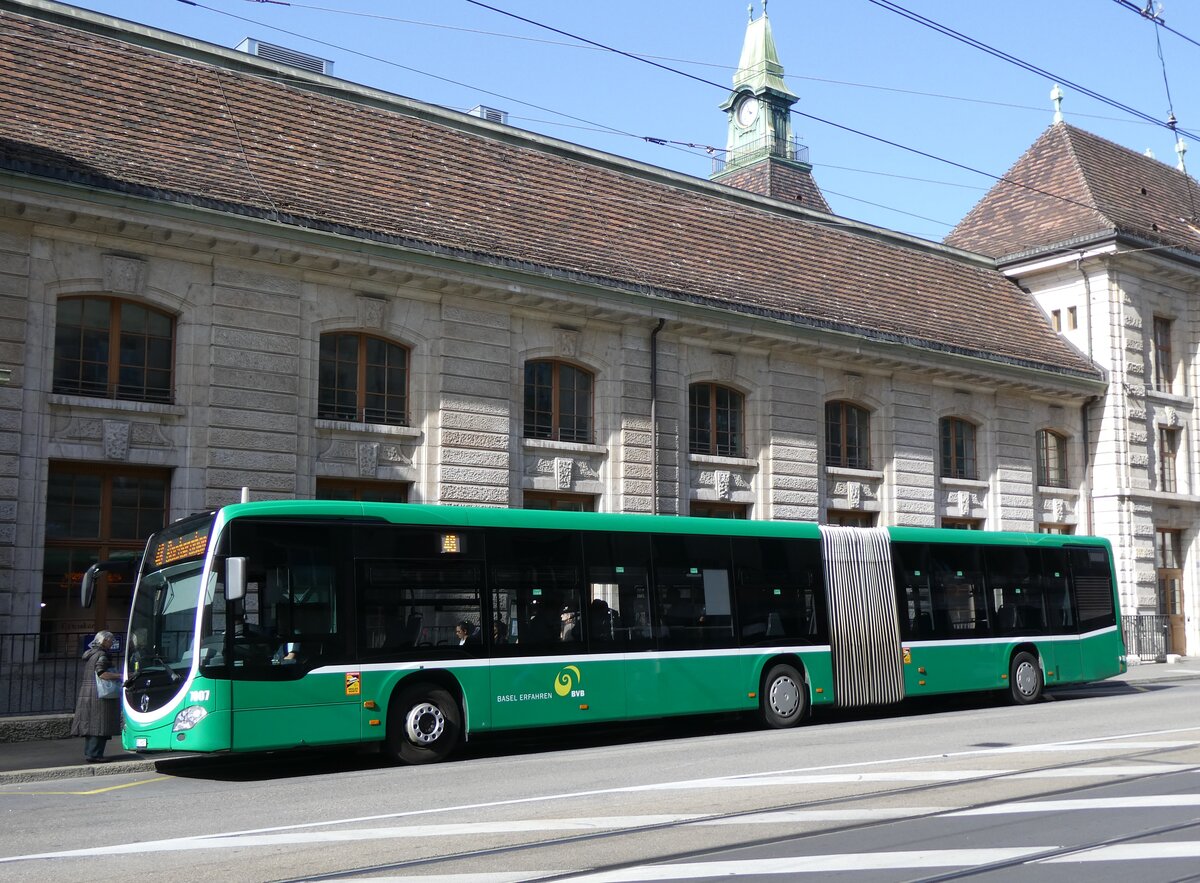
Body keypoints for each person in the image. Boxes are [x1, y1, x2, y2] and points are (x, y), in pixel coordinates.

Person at [70, 630, 122, 763]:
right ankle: (95, 755)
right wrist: (121, 676)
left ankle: (91, 753)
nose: (112, 643)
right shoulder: (102, 655)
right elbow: (102, 673)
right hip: (99, 695)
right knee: (100, 725)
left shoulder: (91, 654)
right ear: (104, 641)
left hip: (89, 693)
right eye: (111, 640)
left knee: (92, 725)